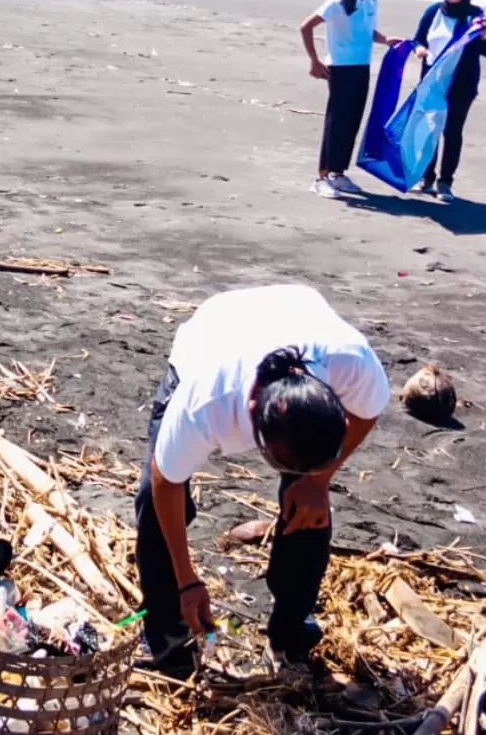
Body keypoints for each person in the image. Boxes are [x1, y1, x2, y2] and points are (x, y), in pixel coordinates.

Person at [133, 284, 390, 677]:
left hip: (294, 308)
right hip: (217, 327)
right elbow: (165, 483)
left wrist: (318, 481)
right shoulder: (204, 403)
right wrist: (187, 580)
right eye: (286, 463)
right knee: (154, 503)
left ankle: (290, 632)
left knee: (308, 508)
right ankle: (166, 634)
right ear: (253, 417)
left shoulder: (350, 362)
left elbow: (370, 409)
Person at [299, 0, 402, 199]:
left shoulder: (371, 2)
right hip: (340, 68)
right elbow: (305, 27)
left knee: (353, 121)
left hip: (361, 66)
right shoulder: (336, 2)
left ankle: (338, 172)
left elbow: (367, 32)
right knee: (337, 122)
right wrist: (314, 61)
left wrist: (386, 39)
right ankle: (322, 177)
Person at [410, 0, 486, 202]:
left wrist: (484, 35)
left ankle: (445, 182)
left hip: (461, 85)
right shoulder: (433, 11)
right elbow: (418, 38)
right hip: (432, 83)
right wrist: (419, 48)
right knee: (430, 130)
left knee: (452, 131)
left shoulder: (475, 15)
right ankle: (426, 178)